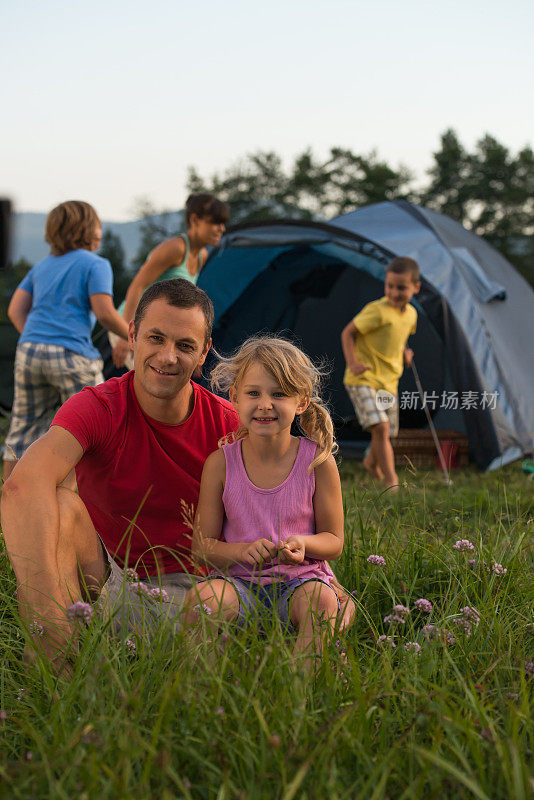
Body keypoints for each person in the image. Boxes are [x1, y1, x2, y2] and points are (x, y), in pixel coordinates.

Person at [1, 279, 239, 669]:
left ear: (203, 353)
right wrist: (50, 619)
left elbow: (280, 507)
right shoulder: (98, 406)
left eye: (184, 345)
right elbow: (21, 488)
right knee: (56, 500)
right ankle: (56, 651)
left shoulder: (228, 425)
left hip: (196, 597)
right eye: (156, 338)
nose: (167, 357)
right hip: (109, 581)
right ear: (132, 334)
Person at [182, 336, 353, 670]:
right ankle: (203, 692)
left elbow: (334, 541)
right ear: (234, 398)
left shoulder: (317, 462)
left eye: (279, 394)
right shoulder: (220, 464)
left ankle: (299, 686)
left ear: (301, 401)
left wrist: (303, 543)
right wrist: (241, 552)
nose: (264, 404)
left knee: (322, 601)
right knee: (201, 601)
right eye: (253, 393)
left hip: (300, 582)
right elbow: (201, 547)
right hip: (238, 584)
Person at [3, 200, 130, 480]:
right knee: (96, 421)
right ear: (86, 229)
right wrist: (132, 337)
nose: (101, 230)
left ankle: (8, 503)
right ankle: (85, 500)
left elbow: (15, 310)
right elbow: (105, 312)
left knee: (22, 429)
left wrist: (38, 339)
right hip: (71, 355)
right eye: (98, 224)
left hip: (29, 351)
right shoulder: (95, 264)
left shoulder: (42, 266)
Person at [111, 193, 229, 369]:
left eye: (223, 223)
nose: (222, 229)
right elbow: (137, 286)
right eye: (215, 222)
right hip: (132, 324)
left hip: (160, 330)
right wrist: (124, 334)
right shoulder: (175, 248)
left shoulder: (201, 255)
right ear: (195, 220)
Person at [341, 257, 421, 491]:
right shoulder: (377, 311)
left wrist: (405, 353)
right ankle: (391, 482)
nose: (394, 292)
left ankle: (370, 462)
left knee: (388, 432)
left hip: (389, 383)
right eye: (390, 286)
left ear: (416, 288)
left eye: (401, 287)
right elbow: (348, 333)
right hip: (363, 380)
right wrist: (352, 362)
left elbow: (400, 336)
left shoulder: (411, 315)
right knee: (381, 428)